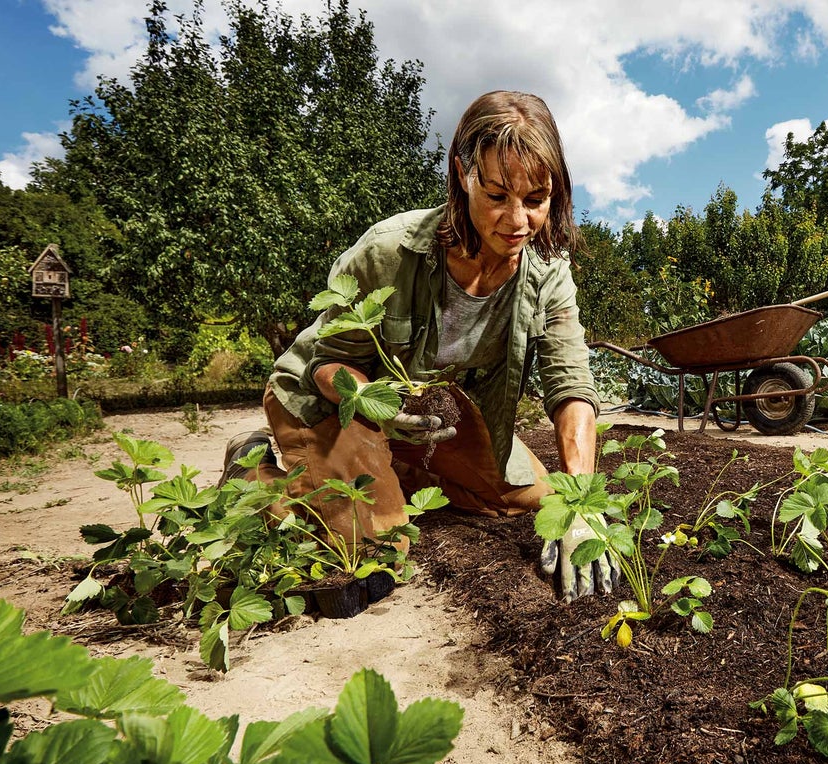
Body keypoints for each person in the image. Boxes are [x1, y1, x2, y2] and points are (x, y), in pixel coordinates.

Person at [222, 90, 618, 602]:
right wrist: (374, 404)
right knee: (374, 545)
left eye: (536, 200)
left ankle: (393, 469)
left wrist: (581, 507)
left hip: (429, 418)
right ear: (462, 174)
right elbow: (329, 366)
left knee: (534, 499)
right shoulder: (390, 251)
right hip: (335, 404)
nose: (517, 221)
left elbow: (571, 386)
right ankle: (251, 471)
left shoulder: (547, 274)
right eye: (497, 196)